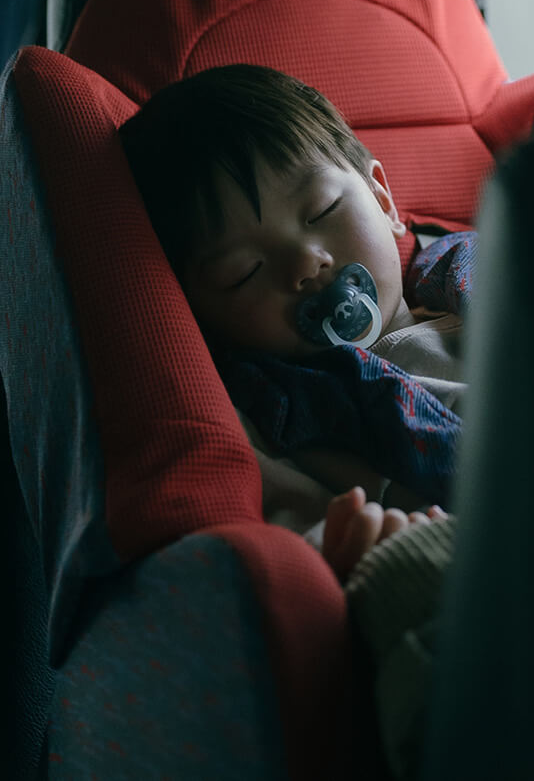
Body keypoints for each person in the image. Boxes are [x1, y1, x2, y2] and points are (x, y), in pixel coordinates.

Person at [120, 61, 468, 777]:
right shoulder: (278, 410)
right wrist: (344, 546)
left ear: (383, 196)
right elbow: (288, 514)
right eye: (243, 273)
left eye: (320, 213)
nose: (307, 264)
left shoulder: (491, 274)